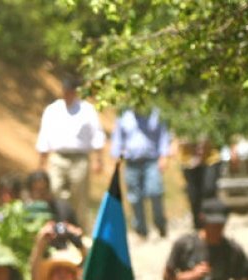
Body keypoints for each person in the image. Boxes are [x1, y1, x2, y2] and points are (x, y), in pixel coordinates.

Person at [35, 75, 105, 229]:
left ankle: (80, 228)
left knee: (79, 197)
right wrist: (42, 162)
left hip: (79, 158)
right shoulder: (53, 110)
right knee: (55, 191)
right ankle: (58, 225)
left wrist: (98, 159)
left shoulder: (87, 110)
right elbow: (44, 135)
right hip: (58, 157)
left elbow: (97, 134)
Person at [164, 198, 247, 280]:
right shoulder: (184, 244)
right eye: (212, 224)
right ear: (203, 220)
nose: (216, 229)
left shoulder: (232, 250)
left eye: (220, 225)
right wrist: (191, 276)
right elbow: (167, 279)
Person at [110, 107, 171, 239]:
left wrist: (164, 156)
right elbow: (118, 139)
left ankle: (160, 224)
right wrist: (116, 158)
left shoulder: (155, 114)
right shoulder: (123, 115)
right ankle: (141, 230)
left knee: (155, 191)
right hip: (131, 163)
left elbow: (163, 136)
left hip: (151, 161)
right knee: (135, 197)